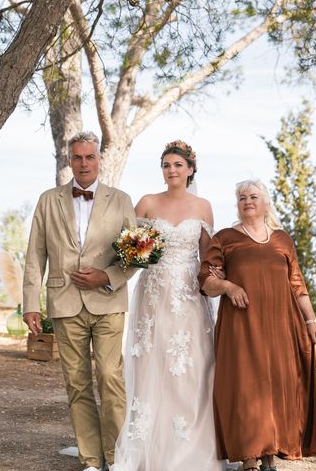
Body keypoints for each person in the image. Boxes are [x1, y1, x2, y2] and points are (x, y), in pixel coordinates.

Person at [22, 131, 138, 471]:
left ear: (99, 160)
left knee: (109, 376)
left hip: (109, 300)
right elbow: (34, 255)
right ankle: (90, 459)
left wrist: (108, 276)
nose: (84, 163)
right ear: (69, 160)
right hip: (64, 300)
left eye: (90, 157)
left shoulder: (121, 200)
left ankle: (117, 459)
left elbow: (135, 254)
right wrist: (31, 304)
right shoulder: (48, 200)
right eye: (78, 157)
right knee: (77, 383)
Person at [198, 179, 316, 471]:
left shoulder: (281, 239)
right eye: (241, 197)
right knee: (245, 388)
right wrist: (229, 287)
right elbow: (205, 280)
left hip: (281, 326)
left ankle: (269, 457)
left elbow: (297, 285)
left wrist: (311, 321)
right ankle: (249, 460)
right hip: (241, 326)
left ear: (266, 203)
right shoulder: (226, 238)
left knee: (275, 387)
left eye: (254, 196)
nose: (247, 200)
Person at [114, 140, 225, 471]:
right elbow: (129, 247)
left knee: (191, 368)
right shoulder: (147, 202)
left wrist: (219, 274)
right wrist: (135, 252)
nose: (172, 170)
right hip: (153, 294)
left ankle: (192, 446)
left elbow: (208, 256)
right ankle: (147, 446)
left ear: (191, 169)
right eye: (166, 164)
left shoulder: (203, 206)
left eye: (178, 164)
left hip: (190, 296)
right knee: (153, 363)